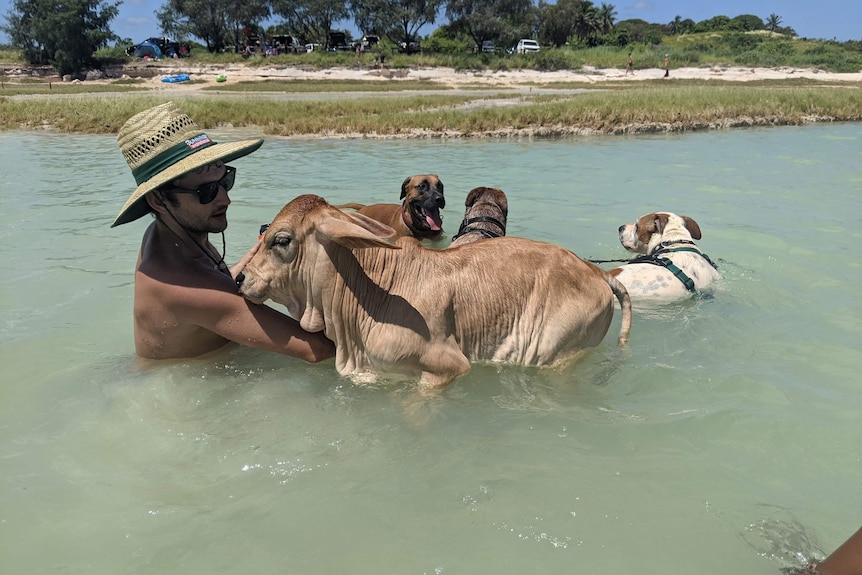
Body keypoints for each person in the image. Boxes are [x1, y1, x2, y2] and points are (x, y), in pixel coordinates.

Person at [112, 101, 335, 362]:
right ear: (159, 201)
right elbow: (318, 350)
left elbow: (214, 286)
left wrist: (256, 261)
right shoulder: (183, 286)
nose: (225, 199)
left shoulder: (169, 237)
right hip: (185, 389)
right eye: (206, 192)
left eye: (225, 181)